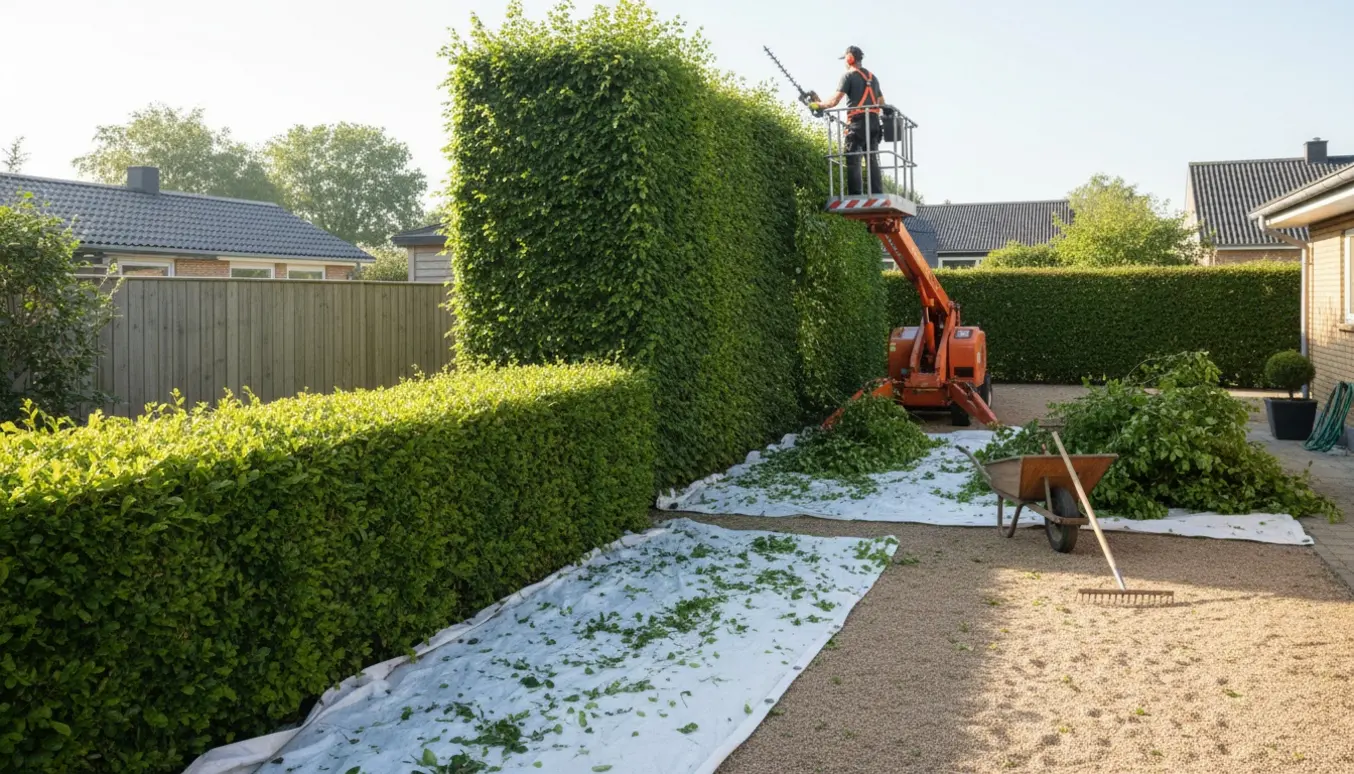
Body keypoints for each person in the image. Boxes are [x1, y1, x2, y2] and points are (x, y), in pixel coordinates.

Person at [810, 45, 885, 196]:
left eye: (845, 59)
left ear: (850, 58)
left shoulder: (848, 76)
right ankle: (877, 193)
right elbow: (882, 103)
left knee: (852, 157)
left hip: (857, 123)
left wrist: (819, 105)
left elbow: (834, 101)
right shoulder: (873, 78)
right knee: (872, 158)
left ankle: (855, 195)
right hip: (874, 122)